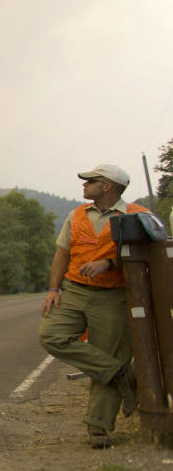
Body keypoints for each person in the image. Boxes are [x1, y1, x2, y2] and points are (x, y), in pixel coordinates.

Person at [38, 164, 150, 448]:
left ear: (108, 186)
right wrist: (53, 289)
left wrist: (110, 264)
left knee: (107, 351)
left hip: (113, 295)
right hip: (74, 290)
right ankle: (120, 372)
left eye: (91, 181)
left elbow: (151, 255)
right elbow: (62, 253)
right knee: (51, 335)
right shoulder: (76, 215)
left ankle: (98, 428)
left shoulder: (138, 216)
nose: (84, 184)